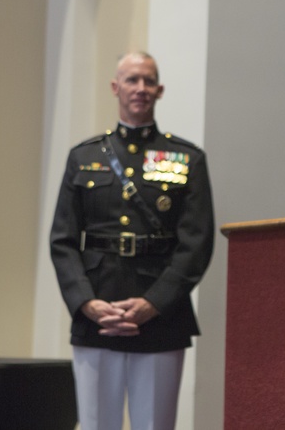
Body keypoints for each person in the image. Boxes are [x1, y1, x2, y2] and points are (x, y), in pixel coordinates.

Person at [50, 51, 215, 430]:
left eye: (148, 80)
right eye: (131, 80)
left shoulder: (186, 158)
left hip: (161, 317)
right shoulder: (84, 157)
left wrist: (153, 303)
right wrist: (86, 302)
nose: (140, 88)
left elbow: (197, 243)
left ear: (159, 90)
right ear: (115, 87)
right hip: (97, 313)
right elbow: (63, 240)